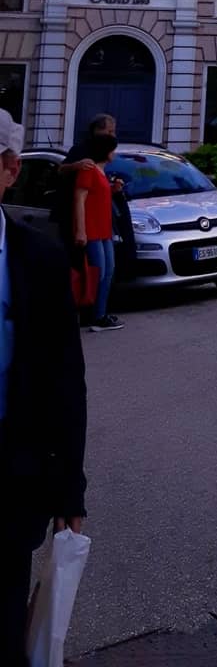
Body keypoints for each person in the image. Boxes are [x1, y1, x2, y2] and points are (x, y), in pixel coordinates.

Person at [0, 108, 88, 665]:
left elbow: (65, 379)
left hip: (10, 479)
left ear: (9, 170)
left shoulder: (39, 258)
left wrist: (69, 488)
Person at [72, 127, 122, 331]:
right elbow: (79, 198)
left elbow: (98, 197)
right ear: (106, 151)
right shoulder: (89, 170)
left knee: (108, 271)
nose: (115, 154)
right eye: (113, 150)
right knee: (97, 273)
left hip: (104, 231)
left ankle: (100, 314)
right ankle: (91, 315)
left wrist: (113, 189)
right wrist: (81, 230)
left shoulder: (101, 172)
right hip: (92, 231)